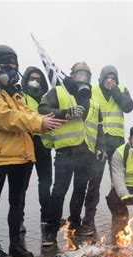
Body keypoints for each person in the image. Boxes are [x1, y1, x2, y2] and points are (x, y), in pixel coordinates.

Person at [0, 45, 65, 257]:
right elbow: (5, 118)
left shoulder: (15, 93)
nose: (14, 70)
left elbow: (28, 116)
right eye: (9, 66)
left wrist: (48, 122)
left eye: (16, 66)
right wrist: (38, 121)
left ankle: (15, 245)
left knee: (17, 202)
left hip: (22, 156)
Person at [39, 62, 104, 247]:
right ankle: (50, 231)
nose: (82, 76)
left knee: (79, 191)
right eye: (79, 73)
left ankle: (74, 224)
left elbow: (99, 127)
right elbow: (42, 109)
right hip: (65, 151)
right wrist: (65, 113)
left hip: (86, 153)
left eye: (86, 73)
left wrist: (100, 147)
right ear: (71, 75)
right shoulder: (59, 92)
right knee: (59, 191)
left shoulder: (93, 100)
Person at [82, 65, 133, 236]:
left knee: (118, 183)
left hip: (117, 143)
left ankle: (120, 220)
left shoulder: (121, 90)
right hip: (98, 142)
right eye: (107, 78)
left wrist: (115, 92)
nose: (110, 81)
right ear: (101, 78)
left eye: (113, 78)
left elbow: (128, 107)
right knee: (94, 182)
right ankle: (88, 221)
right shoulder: (93, 91)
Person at [19, 66, 52, 230]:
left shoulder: (46, 98)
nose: (35, 81)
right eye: (32, 78)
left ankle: (46, 217)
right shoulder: (20, 96)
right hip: (26, 143)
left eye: (38, 79)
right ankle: (19, 220)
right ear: (25, 80)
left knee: (45, 182)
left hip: (43, 145)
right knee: (21, 185)